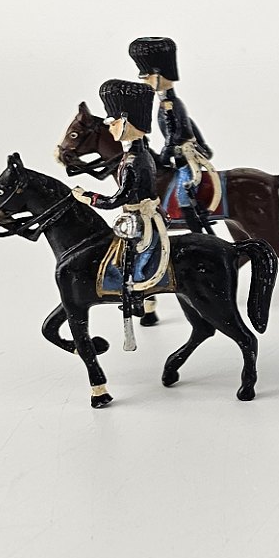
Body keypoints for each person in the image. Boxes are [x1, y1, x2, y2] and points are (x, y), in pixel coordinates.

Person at [71, 80, 168, 345]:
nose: (110, 127)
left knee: (126, 258)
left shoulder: (135, 161)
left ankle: (135, 293)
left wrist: (88, 197)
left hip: (139, 219)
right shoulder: (135, 155)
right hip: (140, 215)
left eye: (113, 122)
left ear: (126, 123)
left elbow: (118, 198)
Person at [129, 36, 216, 234]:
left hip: (185, 159)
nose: (145, 81)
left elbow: (176, 135)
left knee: (184, 195)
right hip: (179, 157)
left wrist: (165, 153)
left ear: (157, 76)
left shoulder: (171, 105)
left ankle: (200, 234)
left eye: (147, 77)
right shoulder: (166, 104)